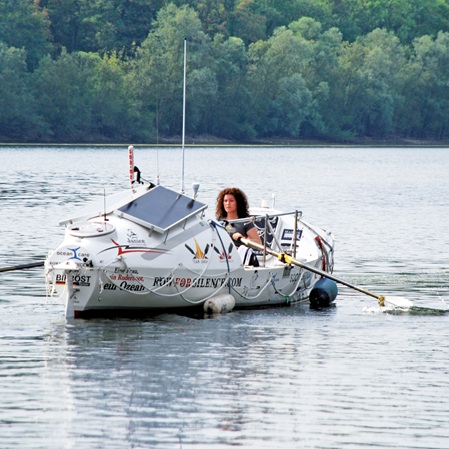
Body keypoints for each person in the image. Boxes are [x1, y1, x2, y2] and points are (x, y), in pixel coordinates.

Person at [216, 188, 262, 266]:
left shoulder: (245, 221)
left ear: (238, 203)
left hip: (238, 258)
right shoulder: (219, 220)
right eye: (225, 201)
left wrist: (243, 238)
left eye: (231, 201)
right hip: (221, 256)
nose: (228, 203)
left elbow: (258, 242)